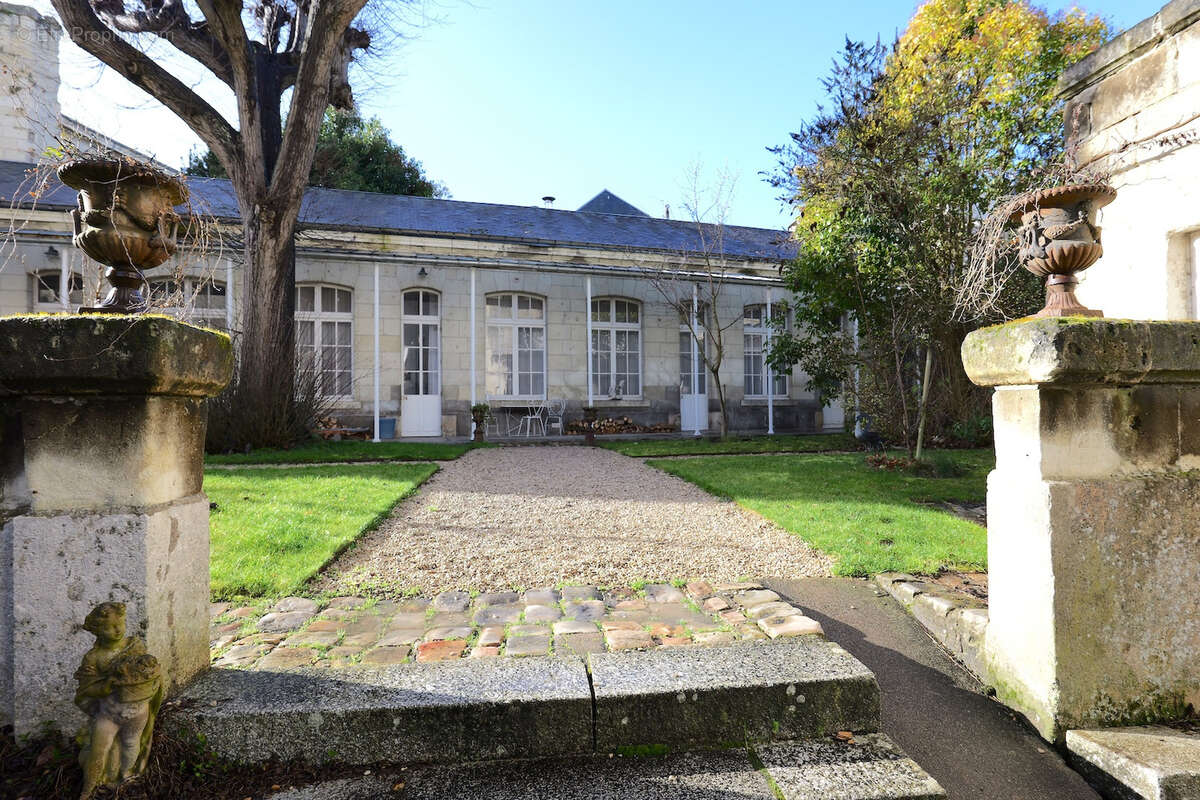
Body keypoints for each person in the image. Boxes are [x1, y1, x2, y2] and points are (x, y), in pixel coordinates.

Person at [74, 602, 164, 800]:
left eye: (120, 624)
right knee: (98, 750)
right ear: (97, 631)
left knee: (131, 744)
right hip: (109, 713)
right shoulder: (94, 657)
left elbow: (147, 669)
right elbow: (87, 687)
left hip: (137, 710)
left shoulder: (135, 646)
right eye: (108, 627)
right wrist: (107, 686)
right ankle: (88, 789)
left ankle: (127, 776)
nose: (116, 630)